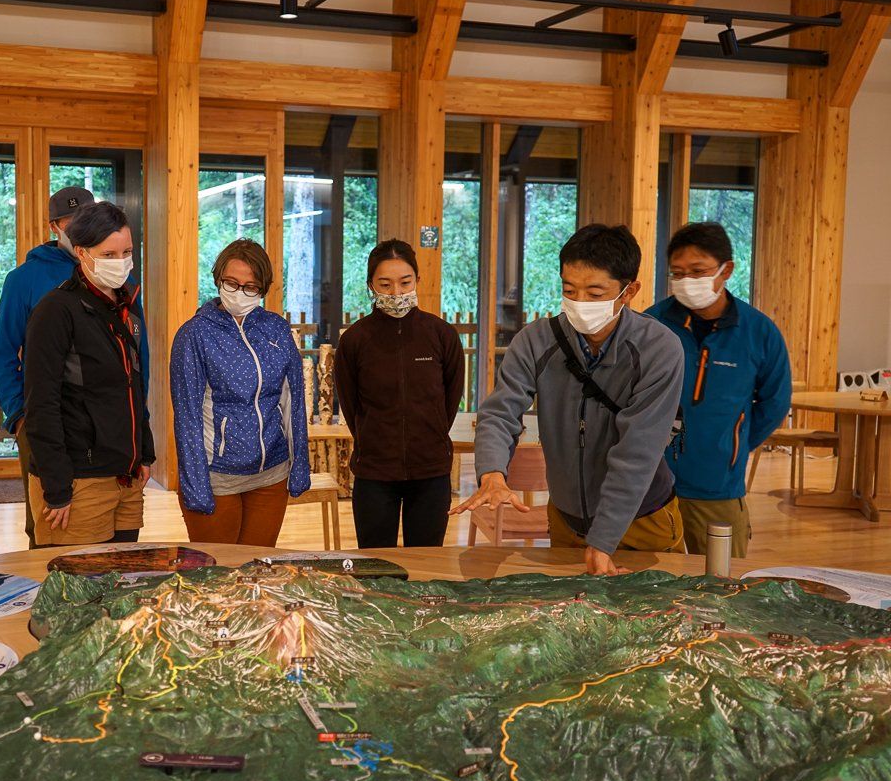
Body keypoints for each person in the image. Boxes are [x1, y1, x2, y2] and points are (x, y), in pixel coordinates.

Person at [453, 224, 686, 575]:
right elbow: (500, 413)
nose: (580, 304)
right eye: (569, 290)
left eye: (595, 293)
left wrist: (603, 539)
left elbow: (637, 451)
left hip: (642, 520)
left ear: (629, 291)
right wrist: (492, 473)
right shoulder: (535, 341)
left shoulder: (659, 349)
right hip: (566, 520)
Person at [0, 186, 150, 549]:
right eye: (73, 221)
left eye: (124, 252)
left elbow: (135, 371)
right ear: (57, 228)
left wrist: (142, 442)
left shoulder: (125, 292)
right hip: (56, 433)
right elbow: (7, 356)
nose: (83, 226)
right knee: (52, 536)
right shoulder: (33, 285)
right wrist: (21, 416)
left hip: (117, 453)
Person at [646, 222, 791, 558]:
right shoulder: (652, 324)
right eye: (678, 273)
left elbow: (775, 401)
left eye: (698, 271)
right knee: (653, 585)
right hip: (652, 486)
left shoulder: (758, 331)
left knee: (719, 586)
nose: (686, 281)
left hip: (718, 488)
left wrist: (733, 444)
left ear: (727, 270)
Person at [170, 238, 311, 546]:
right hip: (218, 476)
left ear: (263, 289)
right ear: (218, 278)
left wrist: (299, 465)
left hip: (271, 473)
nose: (239, 293)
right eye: (231, 283)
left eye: (250, 287)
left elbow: (293, 403)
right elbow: (187, 417)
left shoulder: (276, 329)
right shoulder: (194, 334)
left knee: (256, 570)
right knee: (218, 574)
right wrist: (195, 485)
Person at [334, 239, 464, 547]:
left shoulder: (441, 334)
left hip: (431, 471)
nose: (396, 293)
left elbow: (450, 397)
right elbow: (351, 405)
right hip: (375, 473)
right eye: (385, 284)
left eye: (405, 283)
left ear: (418, 280)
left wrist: (428, 434)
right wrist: (373, 438)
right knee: (377, 566)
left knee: (426, 564)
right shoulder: (355, 340)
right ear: (371, 286)